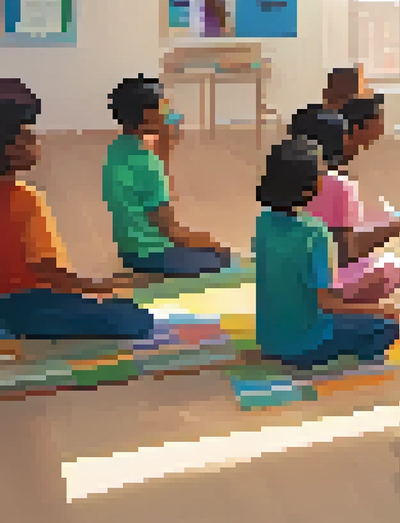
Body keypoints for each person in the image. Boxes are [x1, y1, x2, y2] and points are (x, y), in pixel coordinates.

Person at [0, 85, 152, 340]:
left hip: (19, 303)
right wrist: (94, 288)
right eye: (26, 137)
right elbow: (48, 271)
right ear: (8, 148)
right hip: (29, 305)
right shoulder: (25, 199)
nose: (35, 143)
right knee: (134, 317)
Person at [253, 138, 400, 370]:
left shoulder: (263, 222)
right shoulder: (315, 232)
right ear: (310, 186)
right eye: (322, 171)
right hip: (305, 345)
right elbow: (327, 304)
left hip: (268, 339)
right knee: (387, 326)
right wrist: (380, 310)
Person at [288, 103, 400, 303]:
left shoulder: (283, 180)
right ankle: (339, 304)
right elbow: (345, 253)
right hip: (323, 281)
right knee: (396, 268)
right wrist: (397, 227)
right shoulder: (338, 185)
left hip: (287, 277)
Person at [102, 75, 231, 277]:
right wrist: (215, 245)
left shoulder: (116, 148)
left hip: (127, 249)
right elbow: (170, 231)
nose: (168, 112)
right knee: (224, 260)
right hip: (152, 254)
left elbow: (155, 175)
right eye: (162, 107)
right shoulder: (148, 164)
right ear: (147, 116)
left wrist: (165, 141)